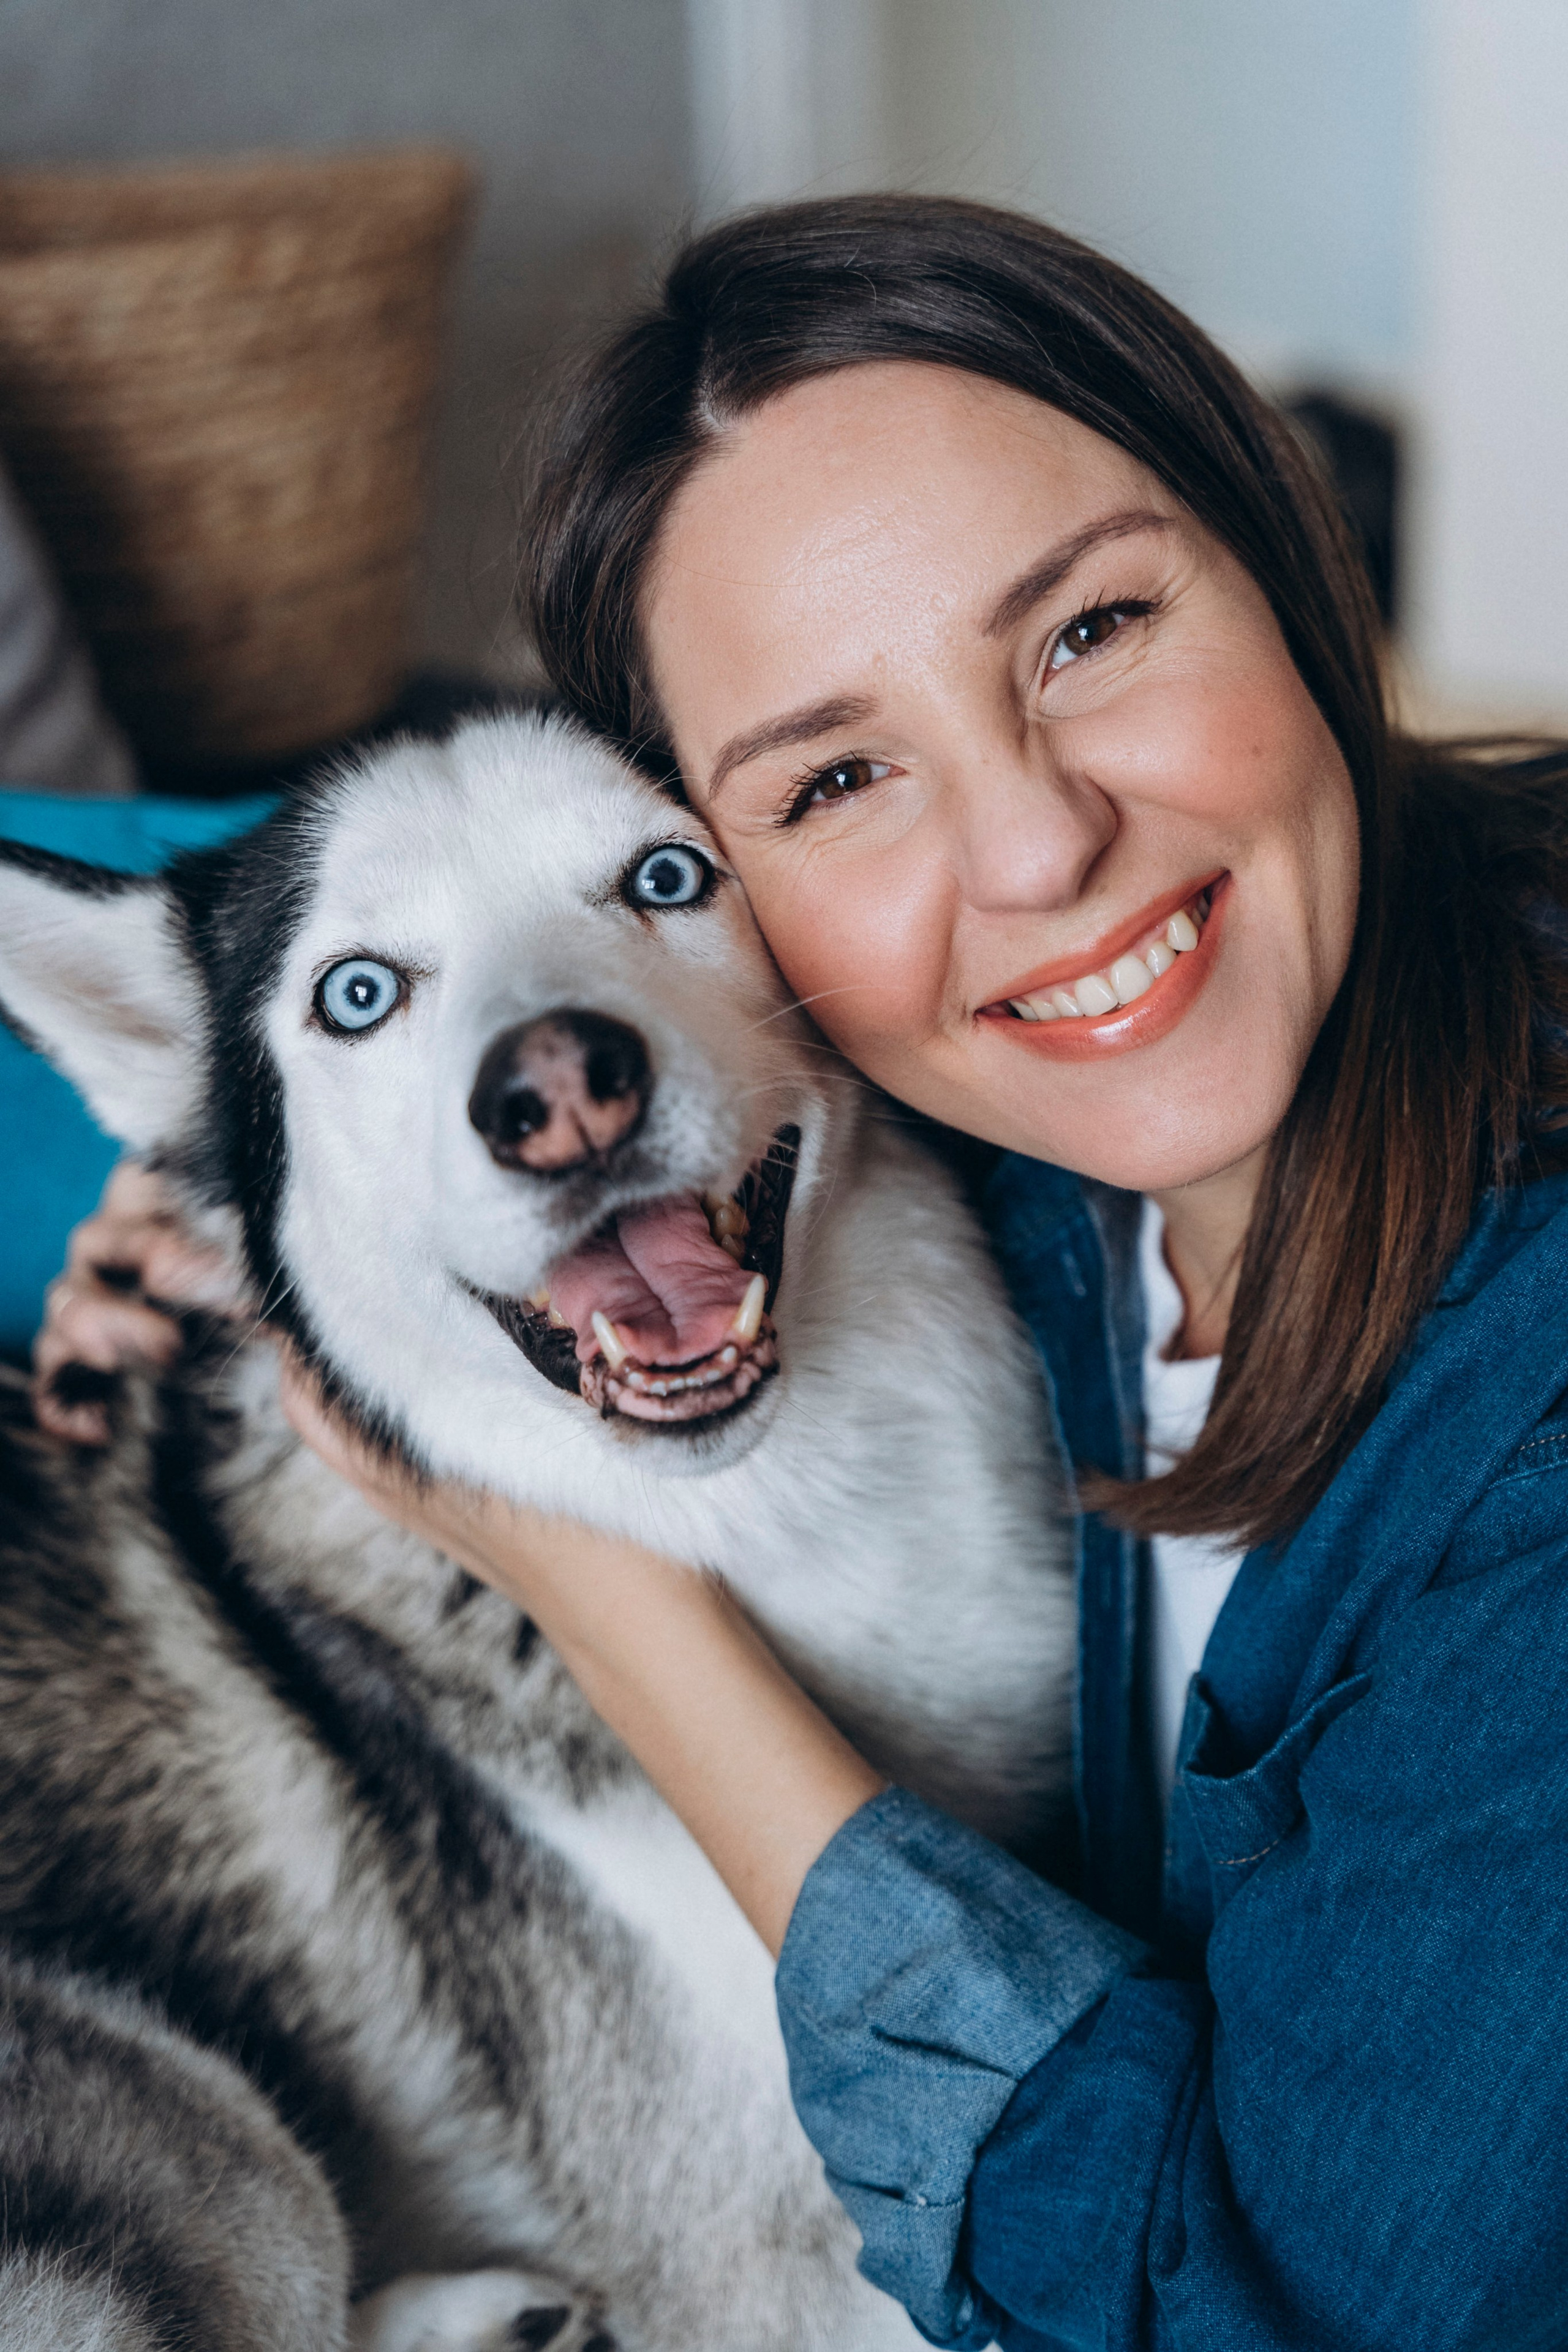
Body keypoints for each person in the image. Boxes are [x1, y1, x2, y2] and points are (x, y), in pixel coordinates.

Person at [33, 197, 1568, 2349]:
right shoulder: (964, 1118)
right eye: (836, 777)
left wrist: (593, 1584)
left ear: (1294, 553)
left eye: (1089, 631)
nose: (1036, 851)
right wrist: (268, 1205)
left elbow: (1236, 2310)